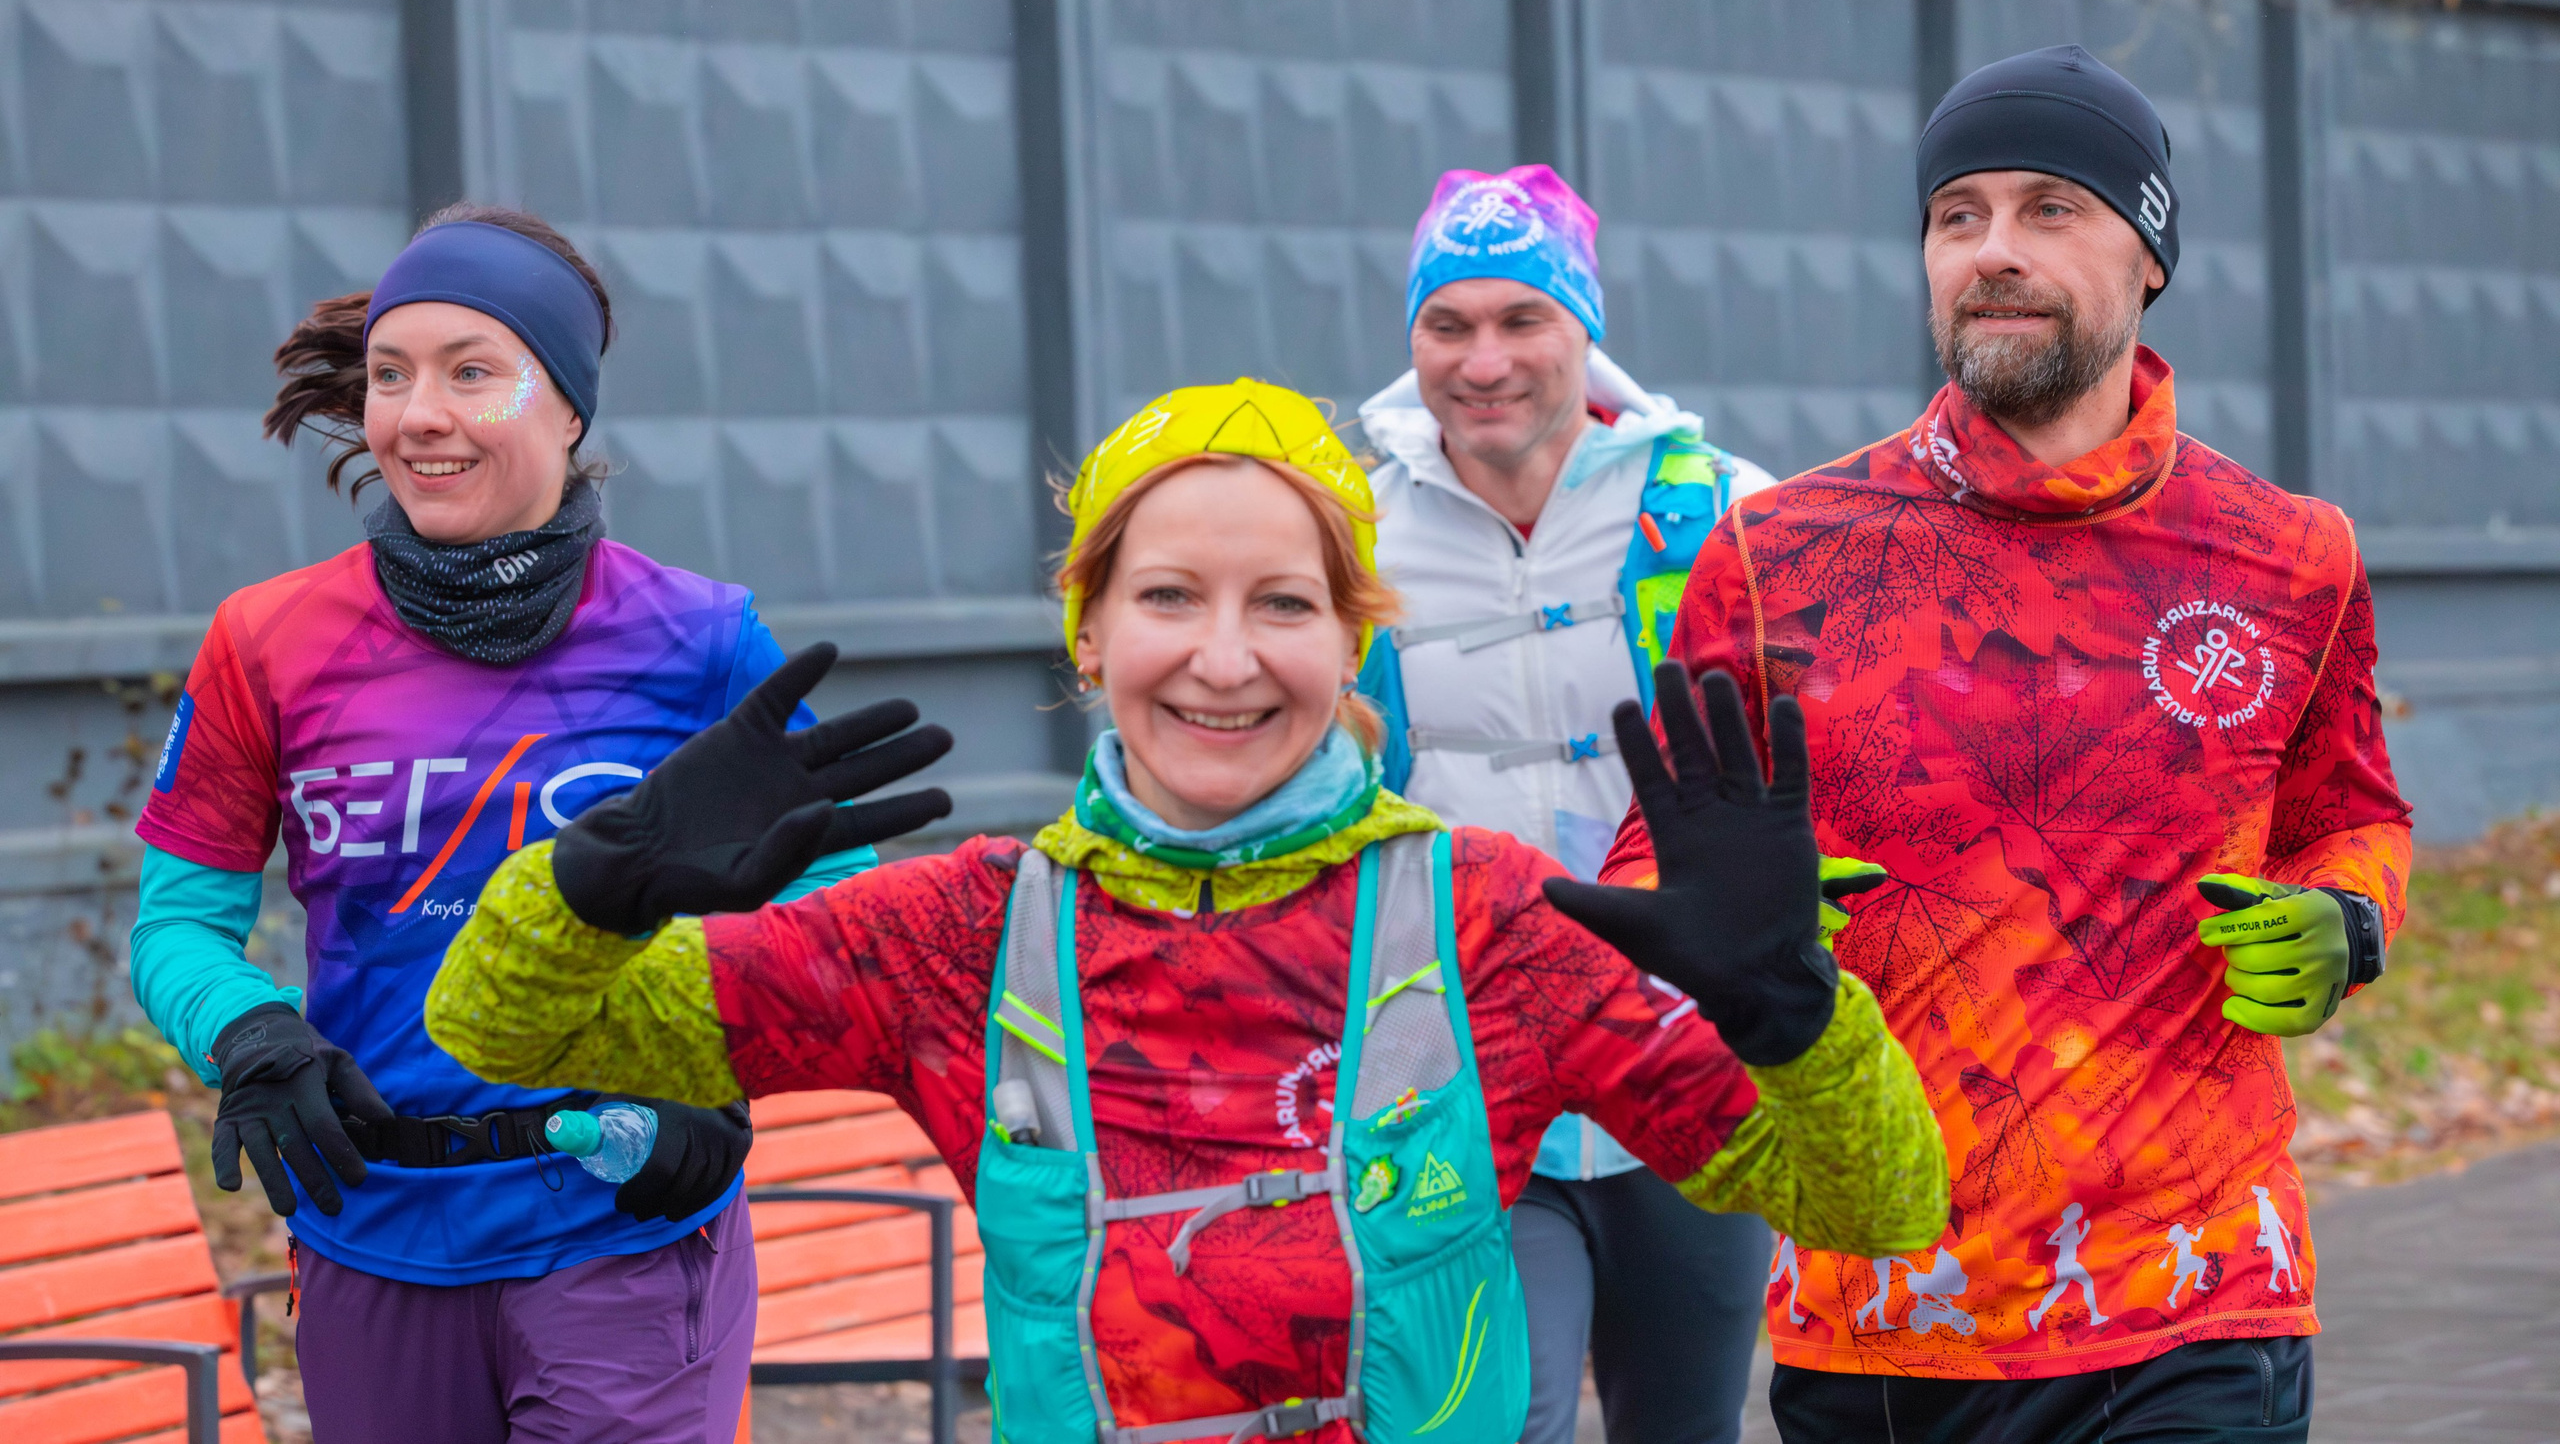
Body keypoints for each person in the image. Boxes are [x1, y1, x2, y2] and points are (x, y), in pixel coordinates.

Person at [422, 377, 1950, 1444]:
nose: (1224, 659)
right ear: (1088, 627)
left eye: (1285, 603)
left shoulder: (1485, 918)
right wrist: (589, 886)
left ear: (1357, 646)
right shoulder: (962, 933)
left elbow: (1871, 1206)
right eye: (1168, 596)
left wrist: (1795, 1009)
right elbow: (501, 1021)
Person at [1602, 44, 2408, 1443]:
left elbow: (2353, 811)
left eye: (2051, 207)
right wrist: (1722, 925)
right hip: (1883, 1301)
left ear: (2149, 252)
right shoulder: (1775, 552)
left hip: (2195, 1287)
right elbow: (1655, 847)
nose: (1994, 250)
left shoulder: (2293, 555)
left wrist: (2346, 917)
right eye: (1956, 215)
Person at [128, 205, 928, 1442]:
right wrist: (252, 1038)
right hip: (369, 1228)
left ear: (567, 408)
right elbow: (177, 926)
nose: (418, 413)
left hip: (619, 1222)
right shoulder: (266, 641)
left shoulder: (701, 639)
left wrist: (719, 1076)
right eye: (392, 376)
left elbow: (837, 923)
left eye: (471, 371)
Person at [1353, 165, 1784, 1444]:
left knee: (1684, 1429)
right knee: (1499, 1418)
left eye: (1520, 320)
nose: (1482, 361)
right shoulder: (1348, 532)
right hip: (1465, 1080)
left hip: (1688, 1071)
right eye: (1448, 325)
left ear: (1583, 328)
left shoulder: (1722, 510)